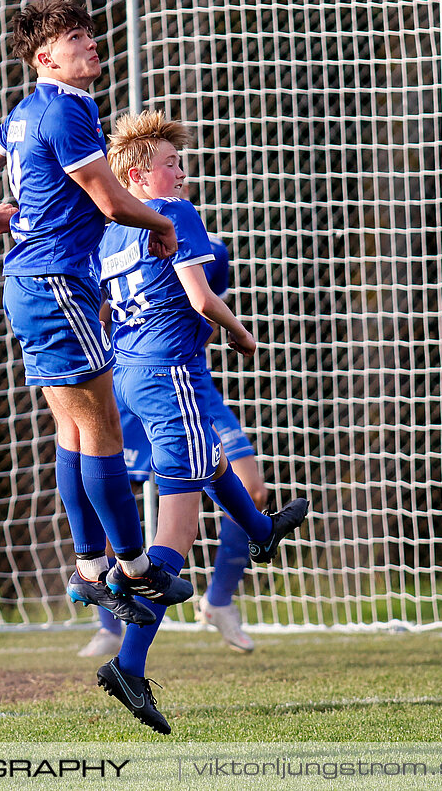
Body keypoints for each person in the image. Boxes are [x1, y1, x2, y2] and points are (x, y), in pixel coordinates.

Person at [0, 0, 188, 625]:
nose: (90, 43)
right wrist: (161, 224)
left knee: (75, 431)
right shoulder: (65, 112)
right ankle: (135, 571)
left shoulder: (27, 113)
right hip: (57, 283)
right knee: (103, 425)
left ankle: (89, 572)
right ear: (44, 57)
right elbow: (111, 202)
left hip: (30, 281)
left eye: (89, 32)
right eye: (74, 37)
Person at [91, 111, 310, 731]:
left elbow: (106, 307)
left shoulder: (110, 232)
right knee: (175, 539)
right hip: (170, 372)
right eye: (170, 163)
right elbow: (197, 297)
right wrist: (241, 334)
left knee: (207, 462)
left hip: (130, 374)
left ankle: (260, 530)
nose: (181, 173)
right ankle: (128, 661)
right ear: (138, 175)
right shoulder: (175, 216)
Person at [78, 238, 275, 658]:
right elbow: (101, 311)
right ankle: (112, 626)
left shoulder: (211, 250)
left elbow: (202, 310)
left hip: (187, 381)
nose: (179, 172)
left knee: (252, 488)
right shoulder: (107, 237)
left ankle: (218, 601)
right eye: (170, 165)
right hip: (132, 373)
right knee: (117, 499)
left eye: (179, 166)